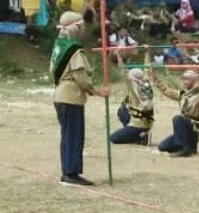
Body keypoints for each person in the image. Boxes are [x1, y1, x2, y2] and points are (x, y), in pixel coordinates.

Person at [51, 11, 111, 186]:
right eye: (82, 26)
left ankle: (68, 171)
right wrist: (98, 91)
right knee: (74, 135)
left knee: (68, 134)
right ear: (76, 28)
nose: (84, 29)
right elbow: (81, 78)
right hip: (71, 96)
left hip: (60, 94)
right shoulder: (74, 50)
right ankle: (70, 173)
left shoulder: (58, 46)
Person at [152, 68, 199, 157]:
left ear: (194, 81)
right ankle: (189, 148)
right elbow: (166, 91)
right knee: (163, 146)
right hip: (183, 130)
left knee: (177, 119)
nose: (185, 82)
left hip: (195, 129)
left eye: (188, 79)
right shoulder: (182, 94)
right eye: (184, 79)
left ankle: (185, 150)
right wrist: (154, 77)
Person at [110, 48, 154, 145]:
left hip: (139, 124)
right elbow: (147, 67)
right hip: (147, 121)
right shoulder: (146, 81)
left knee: (113, 138)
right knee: (122, 110)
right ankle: (139, 133)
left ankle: (140, 136)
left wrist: (118, 55)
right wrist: (147, 52)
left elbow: (123, 70)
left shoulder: (133, 86)